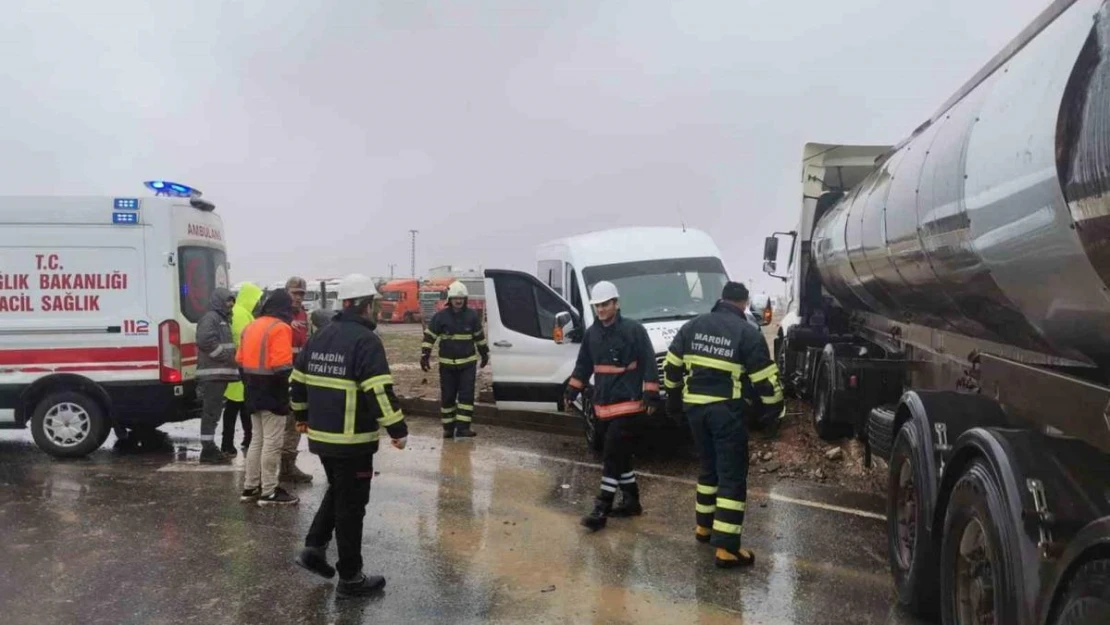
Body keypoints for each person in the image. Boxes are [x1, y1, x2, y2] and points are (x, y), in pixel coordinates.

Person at [290, 273, 408, 597]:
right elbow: (379, 392)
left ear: (345, 304)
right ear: (367, 305)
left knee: (339, 492)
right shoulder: (366, 341)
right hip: (352, 442)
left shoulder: (320, 337)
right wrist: (398, 430)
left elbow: (296, 381)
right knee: (351, 506)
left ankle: (313, 549)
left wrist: (301, 416)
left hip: (322, 439)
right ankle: (351, 578)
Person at [662, 281, 785, 569]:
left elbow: (671, 367)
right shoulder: (747, 333)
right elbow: (766, 381)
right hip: (726, 413)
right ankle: (727, 549)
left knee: (708, 469)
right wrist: (773, 413)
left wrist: (674, 402)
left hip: (695, 412)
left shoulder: (692, 326)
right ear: (743, 304)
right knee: (731, 476)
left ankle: (704, 529)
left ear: (721, 299)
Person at [564, 280, 658, 531]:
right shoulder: (592, 334)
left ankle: (601, 507)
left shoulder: (634, 331)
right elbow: (584, 365)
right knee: (621, 456)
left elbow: (649, 362)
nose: (601, 310)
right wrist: (572, 389)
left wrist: (651, 394)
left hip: (629, 407)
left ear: (616, 303)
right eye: (598, 306)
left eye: (606, 304)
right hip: (603, 407)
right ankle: (631, 501)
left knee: (611, 455)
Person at [237, 289, 300, 506]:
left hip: (251, 388)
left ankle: (250, 487)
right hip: (273, 390)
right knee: (272, 442)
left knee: (257, 439)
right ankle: (270, 491)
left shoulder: (250, 326)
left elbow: (239, 360)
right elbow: (282, 367)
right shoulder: (280, 328)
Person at [421, 281, 489, 438]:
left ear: (465, 299)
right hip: (447, 366)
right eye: (455, 298)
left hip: (467, 365)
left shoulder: (472, 316)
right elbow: (429, 336)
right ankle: (448, 428)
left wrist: (484, 353)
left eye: (461, 298)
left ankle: (463, 428)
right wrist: (425, 354)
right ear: (449, 299)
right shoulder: (440, 317)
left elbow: (479, 337)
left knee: (466, 397)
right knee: (448, 397)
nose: (458, 301)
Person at [195, 287, 239, 463]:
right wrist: (225, 357)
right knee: (211, 412)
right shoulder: (212, 318)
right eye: (228, 300)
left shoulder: (222, 319)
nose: (230, 304)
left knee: (214, 412)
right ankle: (207, 449)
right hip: (213, 374)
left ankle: (209, 446)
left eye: (232, 301)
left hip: (219, 374)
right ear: (219, 301)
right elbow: (205, 340)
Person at [223, 282, 264, 454]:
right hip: (240, 368)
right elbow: (244, 341)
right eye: (257, 299)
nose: (258, 304)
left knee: (240, 407)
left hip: (238, 367)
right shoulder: (241, 314)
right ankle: (235, 442)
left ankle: (243, 440)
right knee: (238, 408)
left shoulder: (242, 312)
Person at [281, 276, 314, 483]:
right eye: (295, 293)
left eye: (301, 294)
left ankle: (287, 466)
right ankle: (268, 470)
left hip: (299, 375)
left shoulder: (304, 316)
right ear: (286, 292)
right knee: (278, 423)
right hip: (280, 375)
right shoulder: (276, 315)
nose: (298, 298)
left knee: (295, 420)